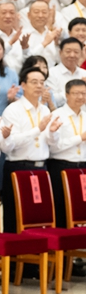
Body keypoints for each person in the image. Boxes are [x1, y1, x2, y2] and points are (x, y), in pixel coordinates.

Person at [0, 66, 59, 233]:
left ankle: (35, 258)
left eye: (42, 82)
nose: (39, 86)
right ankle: (12, 259)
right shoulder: (13, 110)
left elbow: (50, 142)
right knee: (16, 219)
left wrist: (53, 133)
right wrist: (37, 129)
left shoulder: (45, 109)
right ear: (23, 85)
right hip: (19, 168)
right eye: (34, 82)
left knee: (39, 219)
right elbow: (9, 144)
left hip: (41, 168)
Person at [46, 78, 86, 222]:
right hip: (61, 167)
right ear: (67, 95)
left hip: (83, 168)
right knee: (62, 210)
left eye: (83, 93)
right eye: (76, 93)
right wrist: (80, 138)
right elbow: (54, 148)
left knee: (81, 210)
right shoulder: (57, 116)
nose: (80, 97)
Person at [47, 37, 86, 107]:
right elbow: (51, 99)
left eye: (76, 52)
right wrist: (75, 90)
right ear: (60, 52)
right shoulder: (51, 73)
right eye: (68, 51)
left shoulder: (84, 73)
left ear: (81, 53)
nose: (72, 55)